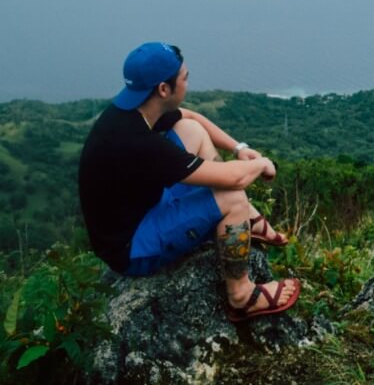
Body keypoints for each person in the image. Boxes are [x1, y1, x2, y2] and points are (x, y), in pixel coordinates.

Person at [78, 42, 300, 322]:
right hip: (133, 247)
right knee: (234, 198)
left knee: (190, 130)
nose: (188, 83)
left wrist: (239, 147)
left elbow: (191, 117)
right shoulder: (138, 144)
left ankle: (247, 220)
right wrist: (263, 163)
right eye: (184, 78)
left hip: (143, 206)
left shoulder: (131, 114)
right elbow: (237, 178)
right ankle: (241, 296)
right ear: (163, 89)